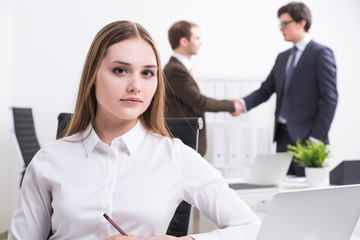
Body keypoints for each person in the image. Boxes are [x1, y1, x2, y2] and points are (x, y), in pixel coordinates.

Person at [8, 20, 261, 240]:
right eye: (120, 70)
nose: (136, 86)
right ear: (93, 75)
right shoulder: (48, 161)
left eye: (148, 73)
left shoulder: (176, 157)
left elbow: (252, 227)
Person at [239, 2, 338, 176]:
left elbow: (329, 99)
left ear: (302, 23)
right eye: (280, 24)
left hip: (309, 139)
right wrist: (241, 104)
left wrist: (316, 138)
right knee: (283, 190)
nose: (281, 28)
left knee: (308, 195)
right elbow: (266, 90)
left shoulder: (321, 53)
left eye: (285, 23)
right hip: (283, 136)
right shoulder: (282, 58)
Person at [163, 20, 242, 157]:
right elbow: (199, 102)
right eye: (197, 38)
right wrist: (231, 105)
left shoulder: (180, 67)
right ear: (184, 41)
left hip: (186, 140)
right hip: (183, 141)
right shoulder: (175, 70)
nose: (200, 43)